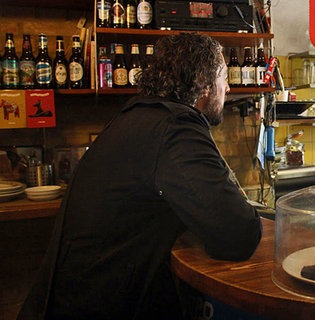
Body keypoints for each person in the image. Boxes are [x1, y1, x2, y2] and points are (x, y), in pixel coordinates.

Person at [18, 33, 263, 320]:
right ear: (204, 84)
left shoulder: (136, 116)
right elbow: (238, 234)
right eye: (223, 77)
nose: (229, 87)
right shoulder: (176, 128)